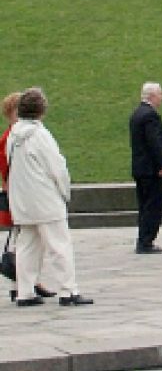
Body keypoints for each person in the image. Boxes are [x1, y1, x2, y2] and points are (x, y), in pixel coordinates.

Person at [7, 89, 93, 307]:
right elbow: (57, 168)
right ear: (41, 110)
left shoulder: (13, 135)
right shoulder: (40, 135)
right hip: (45, 200)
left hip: (22, 201)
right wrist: (65, 192)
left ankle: (25, 292)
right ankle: (68, 290)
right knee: (59, 245)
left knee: (27, 245)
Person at [129, 82, 162, 255]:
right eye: (160, 94)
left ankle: (144, 239)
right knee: (153, 206)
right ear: (152, 96)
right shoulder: (150, 116)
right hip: (151, 170)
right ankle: (146, 241)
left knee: (144, 205)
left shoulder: (137, 113)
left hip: (141, 168)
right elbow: (154, 142)